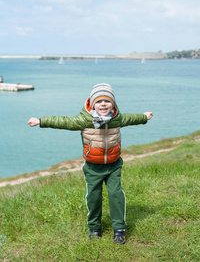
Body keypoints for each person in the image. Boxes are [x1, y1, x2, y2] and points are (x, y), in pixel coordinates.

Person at [28, 83, 153, 244]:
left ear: (113, 103)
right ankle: (94, 228)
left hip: (114, 165)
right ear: (92, 103)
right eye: (99, 101)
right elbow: (63, 122)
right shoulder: (84, 120)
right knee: (93, 197)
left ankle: (119, 229)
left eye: (107, 101)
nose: (103, 104)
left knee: (116, 194)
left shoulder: (117, 119)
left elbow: (132, 118)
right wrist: (40, 121)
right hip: (93, 167)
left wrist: (144, 117)